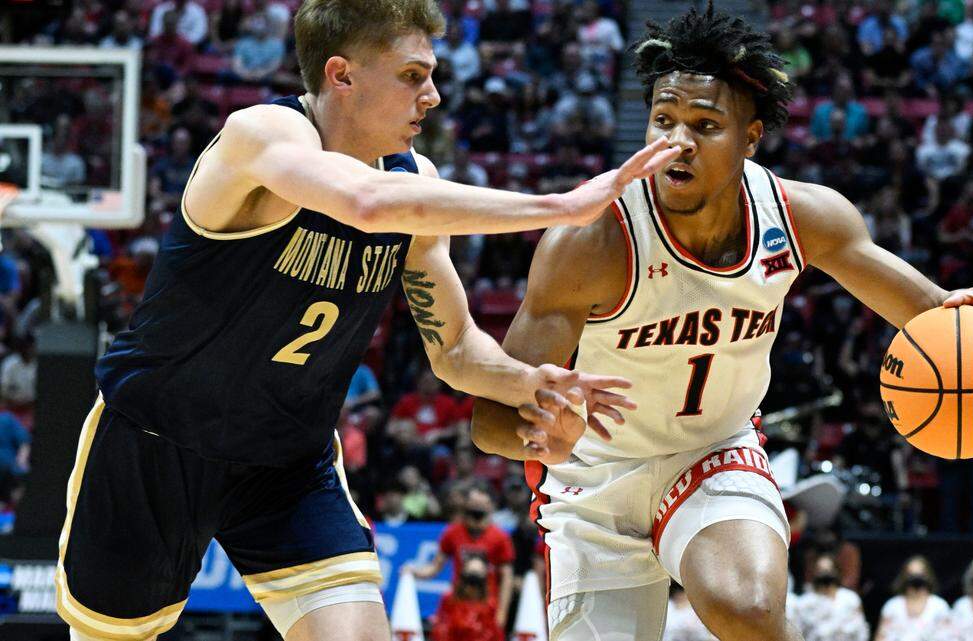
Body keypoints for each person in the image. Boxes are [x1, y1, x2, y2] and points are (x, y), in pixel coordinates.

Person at [55, 0, 681, 638]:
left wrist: (537, 384)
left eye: (433, 76)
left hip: (287, 461)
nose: (433, 96)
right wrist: (562, 206)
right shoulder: (260, 135)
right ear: (341, 74)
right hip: (160, 440)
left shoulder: (415, 182)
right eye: (413, 76)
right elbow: (362, 201)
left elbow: (457, 346)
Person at [470, 5, 973, 640]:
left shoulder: (804, 218)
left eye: (705, 124)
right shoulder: (590, 242)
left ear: (752, 137)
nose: (676, 143)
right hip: (596, 471)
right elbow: (491, 420)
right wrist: (541, 435)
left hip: (714, 450)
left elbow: (941, 318)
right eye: (663, 121)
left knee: (747, 607)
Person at [408, 486, 515, 629]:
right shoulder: (452, 533)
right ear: (466, 505)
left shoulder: (500, 537)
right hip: (459, 603)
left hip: (488, 605)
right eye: (474, 503)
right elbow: (435, 567)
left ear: (490, 507)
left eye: (481, 504)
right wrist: (413, 572)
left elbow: (507, 579)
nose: (477, 507)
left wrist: (502, 612)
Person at [790, 555, 869, 641]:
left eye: (829, 570)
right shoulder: (804, 603)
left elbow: (861, 631)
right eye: (821, 570)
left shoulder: (851, 599)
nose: (825, 574)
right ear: (814, 573)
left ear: (836, 571)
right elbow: (797, 633)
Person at [875, 556, 950, 641]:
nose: (916, 579)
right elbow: (880, 638)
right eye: (911, 575)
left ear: (928, 576)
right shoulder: (892, 606)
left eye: (920, 575)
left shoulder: (939, 606)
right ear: (904, 577)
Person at [432, 556, 502, 641]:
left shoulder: (490, 605)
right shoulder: (449, 600)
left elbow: (494, 634)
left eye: (477, 582)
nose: (472, 587)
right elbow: (440, 630)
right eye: (469, 580)